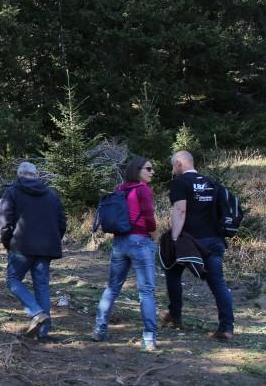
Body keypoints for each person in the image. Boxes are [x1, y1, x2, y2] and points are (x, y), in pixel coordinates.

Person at [164, 150, 234, 340]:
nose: (173, 169)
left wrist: (174, 238)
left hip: (191, 242)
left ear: (179, 163)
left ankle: (175, 315)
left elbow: (180, 210)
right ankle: (226, 328)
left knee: (172, 272)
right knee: (218, 283)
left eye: (173, 165)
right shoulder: (211, 182)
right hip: (214, 240)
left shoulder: (180, 183)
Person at [92, 157, 159, 350]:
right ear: (137, 170)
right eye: (149, 168)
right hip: (140, 241)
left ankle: (99, 329)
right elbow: (149, 219)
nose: (152, 172)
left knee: (112, 288)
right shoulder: (143, 190)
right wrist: (155, 237)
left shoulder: (120, 189)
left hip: (120, 242)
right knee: (146, 291)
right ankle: (149, 339)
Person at [0, 162, 67, 340]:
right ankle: (43, 333)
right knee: (42, 286)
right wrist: (52, 241)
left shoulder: (12, 192)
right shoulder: (51, 194)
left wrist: (8, 242)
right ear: (36, 175)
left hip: (21, 246)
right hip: (46, 248)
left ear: (19, 174)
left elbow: (5, 222)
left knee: (13, 280)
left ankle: (36, 313)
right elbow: (62, 222)